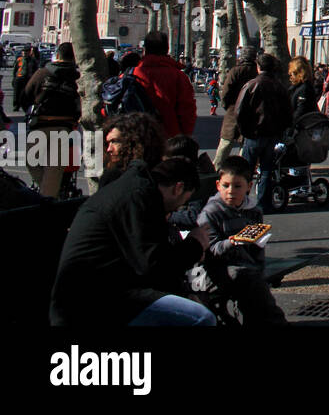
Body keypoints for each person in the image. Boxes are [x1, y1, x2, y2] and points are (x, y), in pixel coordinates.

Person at [50, 155, 212, 326]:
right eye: (184, 200)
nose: (179, 207)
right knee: (201, 318)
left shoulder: (135, 190)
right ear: (178, 188)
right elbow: (154, 266)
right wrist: (195, 244)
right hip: (91, 304)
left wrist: (183, 294)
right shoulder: (138, 198)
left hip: (96, 295)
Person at [197, 156, 288, 325]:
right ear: (218, 185)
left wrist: (259, 266)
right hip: (217, 269)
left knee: (255, 287)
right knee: (251, 285)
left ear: (249, 187)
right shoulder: (211, 213)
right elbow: (209, 250)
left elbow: (258, 249)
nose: (231, 191)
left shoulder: (253, 211)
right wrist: (231, 242)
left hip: (246, 268)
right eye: (226, 185)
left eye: (237, 186)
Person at [235, 53, 293, 212]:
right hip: (272, 133)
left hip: (254, 133)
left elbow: (239, 111)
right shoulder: (279, 87)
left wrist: (244, 130)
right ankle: (263, 202)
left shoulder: (251, 85)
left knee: (247, 170)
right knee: (267, 170)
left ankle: (243, 201)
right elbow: (288, 112)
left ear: (258, 67)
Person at [23, 41, 82, 197]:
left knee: (31, 161)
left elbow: (26, 94)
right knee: (54, 169)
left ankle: (46, 195)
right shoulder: (78, 77)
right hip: (64, 127)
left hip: (40, 124)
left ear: (57, 55)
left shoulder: (42, 73)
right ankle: (48, 194)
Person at [130, 31, 196, 139]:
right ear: (167, 49)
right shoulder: (179, 77)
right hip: (170, 136)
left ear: (145, 50)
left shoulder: (132, 74)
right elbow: (187, 110)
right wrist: (184, 136)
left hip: (137, 135)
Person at [216, 48, 259, 168]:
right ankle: (241, 169)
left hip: (233, 110)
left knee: (225, 143)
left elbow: (226, 92)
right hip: (251, 113)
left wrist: (227, 106)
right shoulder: (256, 72)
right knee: (244, 144)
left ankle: (217, 168)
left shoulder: (236, 71)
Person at [287, 56, 317, 125]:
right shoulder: (299, 86)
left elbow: (301, 111)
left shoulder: (304, 89)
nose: (289, 74)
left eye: (291, 72)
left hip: (301, 127)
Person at [11, 45, 36, 117]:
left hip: (28, 78)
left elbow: (35, 69)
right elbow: (15, 69)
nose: (24, 53)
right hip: (19, 78)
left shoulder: (32, 60)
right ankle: (16, 105)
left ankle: (27, 105)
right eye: (23, 52)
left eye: (26, 52)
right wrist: (14, 78)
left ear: (29, 53)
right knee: (17, 92)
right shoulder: (19, 59)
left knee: (27, 92)